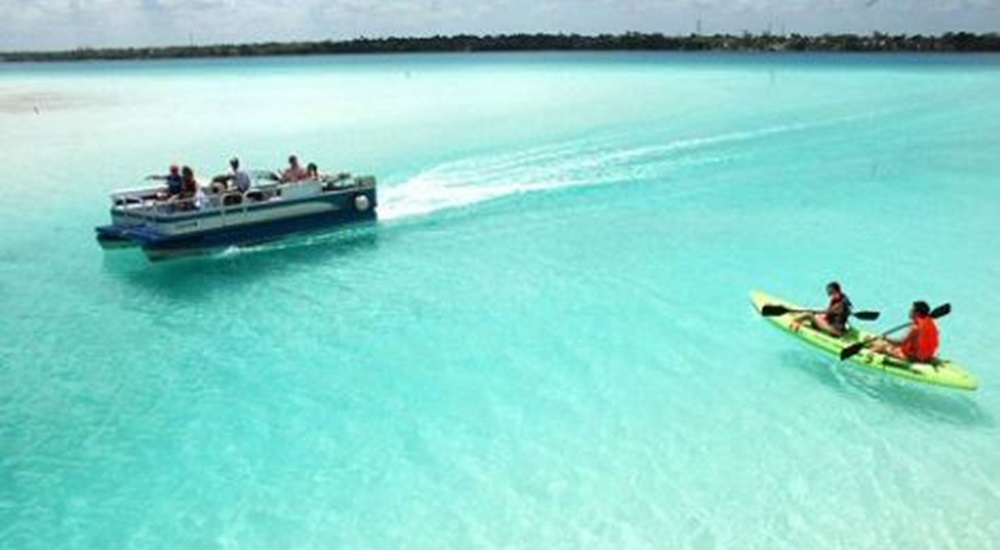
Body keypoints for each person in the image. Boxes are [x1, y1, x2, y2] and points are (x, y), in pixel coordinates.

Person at [870, 301, 939, 362]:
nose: (910, 311)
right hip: (924, 356)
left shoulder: (915, 327)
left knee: (880, 346)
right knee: (878, 342)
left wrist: (885, 338)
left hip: (911, 357)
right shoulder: (928, 322)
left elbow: (900, 342)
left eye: (912, 310)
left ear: (917, 313)